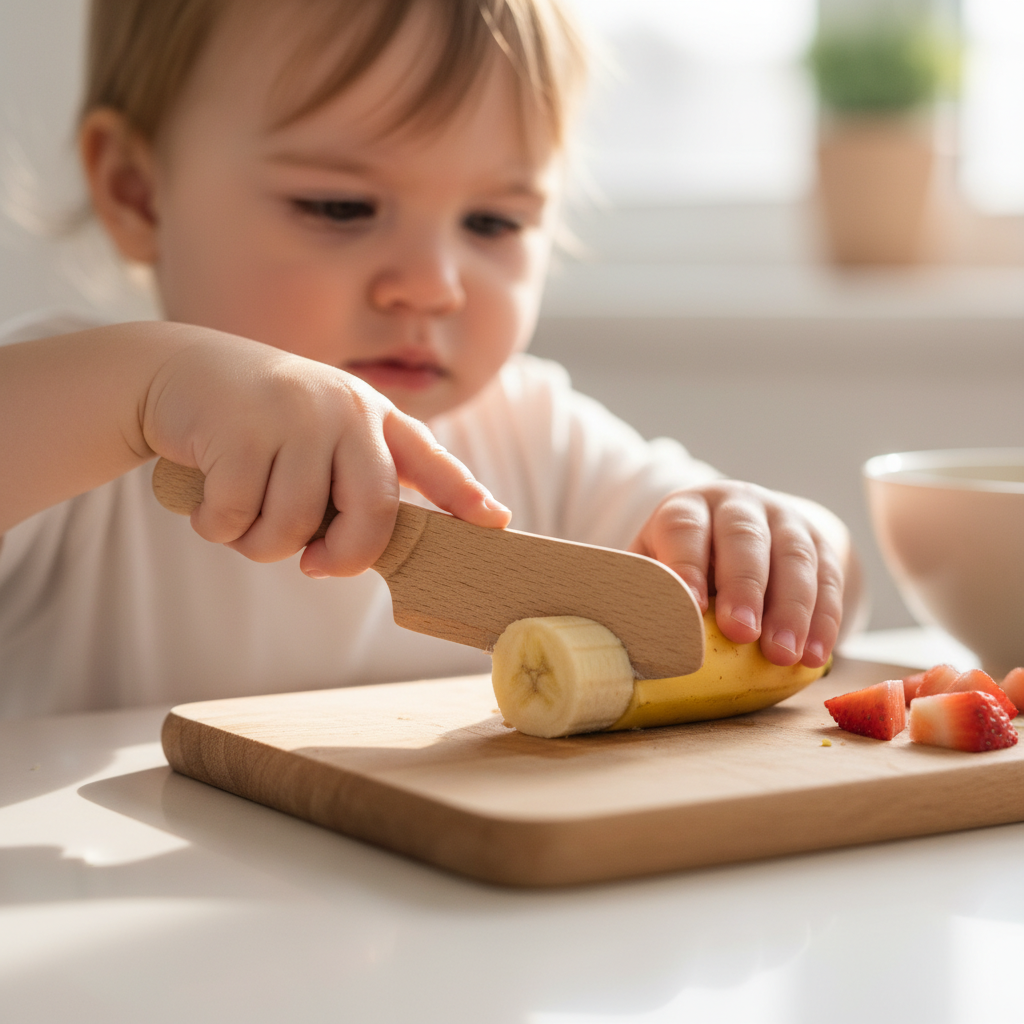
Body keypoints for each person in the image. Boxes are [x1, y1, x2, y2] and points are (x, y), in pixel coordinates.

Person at [0, 0, 861, 717]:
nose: (433, 286)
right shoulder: (92, 408)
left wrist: (778, 540)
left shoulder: (535, 436)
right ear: (138, 192)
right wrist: (148, 382)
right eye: (340, 206)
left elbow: (803, 594)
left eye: (493, 222)